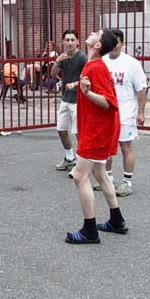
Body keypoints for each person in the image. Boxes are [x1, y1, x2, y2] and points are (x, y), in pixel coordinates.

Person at [65, 29, 128, 244]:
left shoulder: (97, 66)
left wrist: (87, 93)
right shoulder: (93, 65)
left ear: (98, 45)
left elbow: (110, 102)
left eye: (97, 33)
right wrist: (78, 86)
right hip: (99, 128)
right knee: (100, 174)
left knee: (79, 175)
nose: (92, 33)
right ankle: (116, 220)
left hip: (97, 130)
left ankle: (89, 230)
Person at [102, 29, 148, 197]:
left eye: (117, 42)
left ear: (122, 43)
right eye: (111, 42)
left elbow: (142, 88)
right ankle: (108, 179)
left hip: (126, 112)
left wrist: (140, 112)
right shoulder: (102, 61)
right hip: (106, 112)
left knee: (125, 146)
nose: (114, 46)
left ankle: (127, 182)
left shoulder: (131, 63)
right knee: (105, 148)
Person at [51, 29, 87, 172]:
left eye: (73, 40)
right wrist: (57, 61)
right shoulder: (64, 58)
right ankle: (69, 157)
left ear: (78, 41)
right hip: (65, 99)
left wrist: (75, 84)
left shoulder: (82, 58)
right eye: (67, 40)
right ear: (63, 42)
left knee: (78, 133)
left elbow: (89, 77)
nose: (70, 43)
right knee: (61, 129)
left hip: (79, 101)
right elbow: (53, 74)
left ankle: (81, 163)